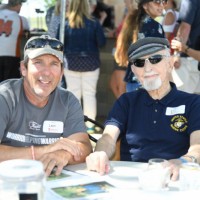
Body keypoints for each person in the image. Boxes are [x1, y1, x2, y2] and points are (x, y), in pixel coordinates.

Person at [86, 37, 200, 181]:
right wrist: (100, 153)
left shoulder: (193, 103)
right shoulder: (126, 102)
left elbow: (197, 147)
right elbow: (108, 138)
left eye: (155, 59)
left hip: (174, 179)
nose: (147, 68)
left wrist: (182, 162)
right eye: (139, 63)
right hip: (131, 181)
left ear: (170, 63)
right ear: (133, 70)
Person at [0, 35, 93, 176]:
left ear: (61, 73)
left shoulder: (68, 101)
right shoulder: (5, 96)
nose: (47, 72)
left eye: (54, 64)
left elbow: (85, 147)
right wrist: (45, 151)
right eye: (38, 62)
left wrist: (64, 155)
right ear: (23, 68)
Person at [60, 0, 106, 134]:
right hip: (91, 63)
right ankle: (90, 127)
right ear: (87, 6)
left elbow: (59, 42)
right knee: (90, 94)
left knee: (73, 94)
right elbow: (102, 42)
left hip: (71, 63)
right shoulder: (94, 22)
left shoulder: (66, 23)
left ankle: (75, 126)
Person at [115, 0, 166, 93]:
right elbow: (158, 58)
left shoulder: (134, 22)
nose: (162, 5)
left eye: (164, 1)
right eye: (157, 2)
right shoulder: (154, 26)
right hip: (148, 81)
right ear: (145, 5)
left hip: (133, 81)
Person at [109, 0, 136, 99]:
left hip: (124, 54)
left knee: (121, 88)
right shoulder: (127, 13)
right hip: (120, 53)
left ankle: (125, 111)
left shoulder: (134, 15)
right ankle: (124, 108)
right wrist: (115, 32)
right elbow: (122, 32)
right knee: (113, 84)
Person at [174, 0, 200, 93]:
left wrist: (177, 54)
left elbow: (185, 27)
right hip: (193, 59)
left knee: (179, 103)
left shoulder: (191, 1)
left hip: (188, 60)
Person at [0, 0, 30, 82]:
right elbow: (27, 33)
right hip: (12, 56)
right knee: (10, 85)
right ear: (18, 5)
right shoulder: (22, 19)